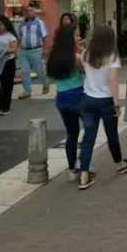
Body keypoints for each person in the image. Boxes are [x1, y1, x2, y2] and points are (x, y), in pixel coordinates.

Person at [78, 25, 127, 189]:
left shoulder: (86, 54)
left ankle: (83, 176)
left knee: (89, 138)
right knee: (112, 135)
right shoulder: (112, 56)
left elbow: (83, 68)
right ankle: (119, 164)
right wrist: (117, 103)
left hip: (88, 99)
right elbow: (113, 80)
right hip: (106, 101)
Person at [46, 24, 86, 181]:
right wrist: (81, 51)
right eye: (76, 36)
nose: (79, 38)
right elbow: (84, 70)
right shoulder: (74, 57)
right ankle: (84, 161)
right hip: (77, 96)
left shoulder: (54, 57)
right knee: (90, 128)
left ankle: (72, 168)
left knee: (72, 134)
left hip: (62, 98)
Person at [17, 6, 50, 99]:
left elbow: (45, 37)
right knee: (24, 71)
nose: (28, 12)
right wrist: (16, 49)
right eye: (27, 11)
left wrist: (45, 49)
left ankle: (45, 83)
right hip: (24, 51)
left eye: (30, 10)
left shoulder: (40, 23)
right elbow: (19, 38)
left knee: (39, 70)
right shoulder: (21, 24)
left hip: (36, 50)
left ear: (35, 12)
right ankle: (27, 91)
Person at [0, 16, 18, 116]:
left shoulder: (11, 36)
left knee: (7, 85)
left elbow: (14, 49)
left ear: (6, 25)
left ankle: (6, 106)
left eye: (0, 24)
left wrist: (2, 50)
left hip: (7, 62)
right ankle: (2, 100)